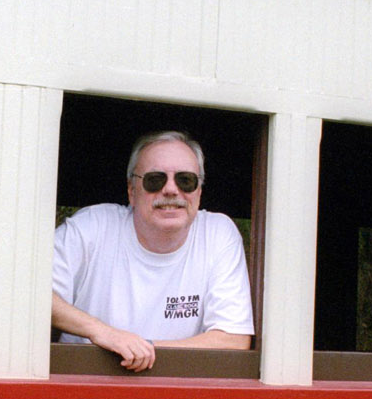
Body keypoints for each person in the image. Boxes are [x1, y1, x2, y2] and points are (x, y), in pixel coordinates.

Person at [52, 131, 254, 371]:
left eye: (185, 180)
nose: (171, 190)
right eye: (155, 180)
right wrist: (102, 332)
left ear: (199, 192)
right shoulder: (91, 227)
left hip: (178, 387)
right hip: (85, 382)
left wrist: (140, 348)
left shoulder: (218, 234)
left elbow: (233, 339)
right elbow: (32, 296)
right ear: (132, 191)